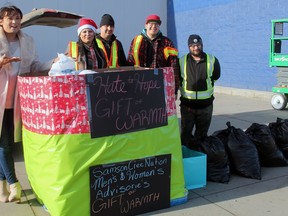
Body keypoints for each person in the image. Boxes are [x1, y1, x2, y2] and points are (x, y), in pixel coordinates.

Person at [0, 5, 54, 203]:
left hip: (16, 99)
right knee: (3, 144)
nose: (14, 22)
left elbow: (35, 66)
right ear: (1, 21)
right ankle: (14, 183)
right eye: (10, 18)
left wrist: (54, 62)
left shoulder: (28, 41)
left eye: (17, 18)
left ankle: (3, 189)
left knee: (7, 142)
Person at [178, 34, 220, 148]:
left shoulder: (212, 60)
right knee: (185, 135)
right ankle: (186, 159)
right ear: (188, 47)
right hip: (188, 107)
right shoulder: (181, 61)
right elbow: (178, 80)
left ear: (202, 45)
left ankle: (199, 160)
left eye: (198, 45)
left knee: (201, 137)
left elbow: (216, 76)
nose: (196, 48)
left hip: (205, 107)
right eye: (192, 45)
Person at [127, 14, 179, 93]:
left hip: (160, 85)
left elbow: (173, 67)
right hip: (139, 84)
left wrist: (174, 89)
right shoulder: (136, 41)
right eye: (151, 24)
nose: (154, 26)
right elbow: (130, 62)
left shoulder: (167, 43)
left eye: (156, 24)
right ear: (146, 25)